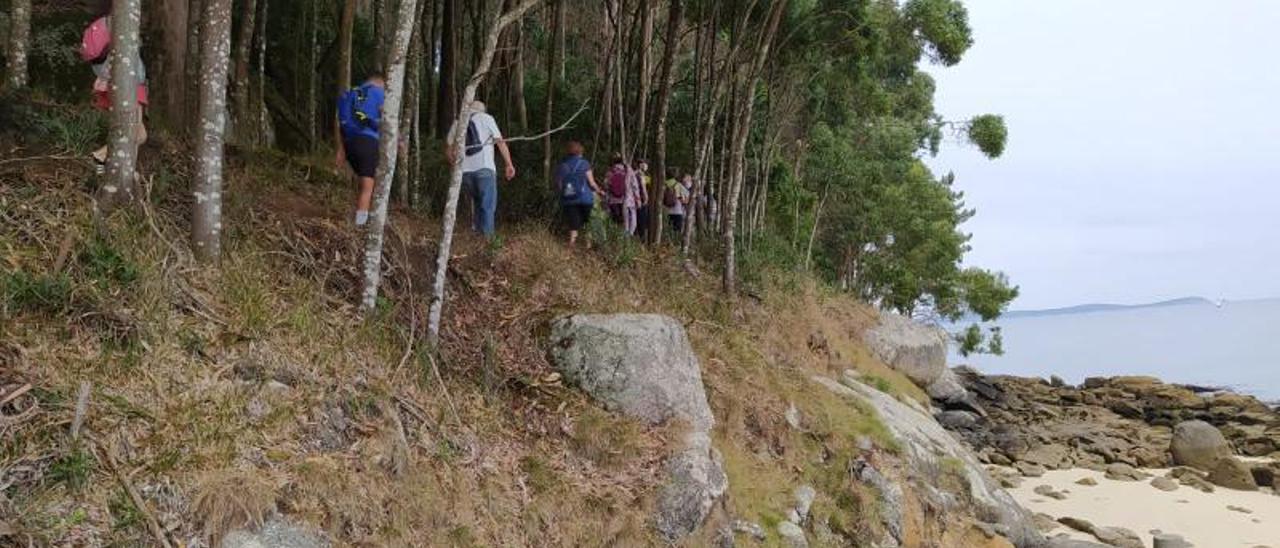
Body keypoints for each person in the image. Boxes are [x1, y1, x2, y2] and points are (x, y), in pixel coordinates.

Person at [82, 0, 149, 175]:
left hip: (112, 80)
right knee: (135, 132)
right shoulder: (121, 20)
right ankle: (100, 156)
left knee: (136, 132)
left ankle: (113, 169)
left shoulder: (105, 20)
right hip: (130, 83)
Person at [446, 101, 516, 237]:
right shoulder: (487, 118)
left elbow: (448, 150)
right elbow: (500, 142)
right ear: (482, 110)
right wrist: (509, 164)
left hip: (465, 173)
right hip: (484, 168)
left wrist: (456, 167)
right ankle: (487, 241)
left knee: (478, 202)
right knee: (487, 205)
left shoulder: (458, 122)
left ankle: (477, 236)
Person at [335, 72, 386, 226]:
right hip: (368, 141)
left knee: (364, 182)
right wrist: (400, 140)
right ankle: (361, 225)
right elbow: (387, 117)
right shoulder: (379, 92)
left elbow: (338, 122)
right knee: (368, 186)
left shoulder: (349, 94)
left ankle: (358, 217)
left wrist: (341, 149)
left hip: (350, 142)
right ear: (380, 82)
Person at [554, 141, 604, 247]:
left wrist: (564, 194)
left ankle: (572, 248)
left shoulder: (562, 166)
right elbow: (592, 183)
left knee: (573, 226)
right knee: (588, 224)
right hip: (585, 198)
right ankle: (587, 248)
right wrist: (599, 191)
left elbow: (559, 185)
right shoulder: (584, 163)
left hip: (569, 200)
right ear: (579, 152)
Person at [664, 168, 690, 235]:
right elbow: (688, 195)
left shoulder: (664, 183)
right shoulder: (678, 184)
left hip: (667, 211)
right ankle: (676, 243)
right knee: (677, 231)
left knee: (670, 230)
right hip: (677, 211)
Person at [633, 160, 652, 239]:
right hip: (641, 201)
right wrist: (646, 199)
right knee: (642, 221)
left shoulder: (633, 173)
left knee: (635, 220)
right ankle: (641, 239)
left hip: (633, 200)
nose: (646, 166)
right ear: (640, 165)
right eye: (644, 164)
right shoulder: (641, 175)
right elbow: (643, 188)